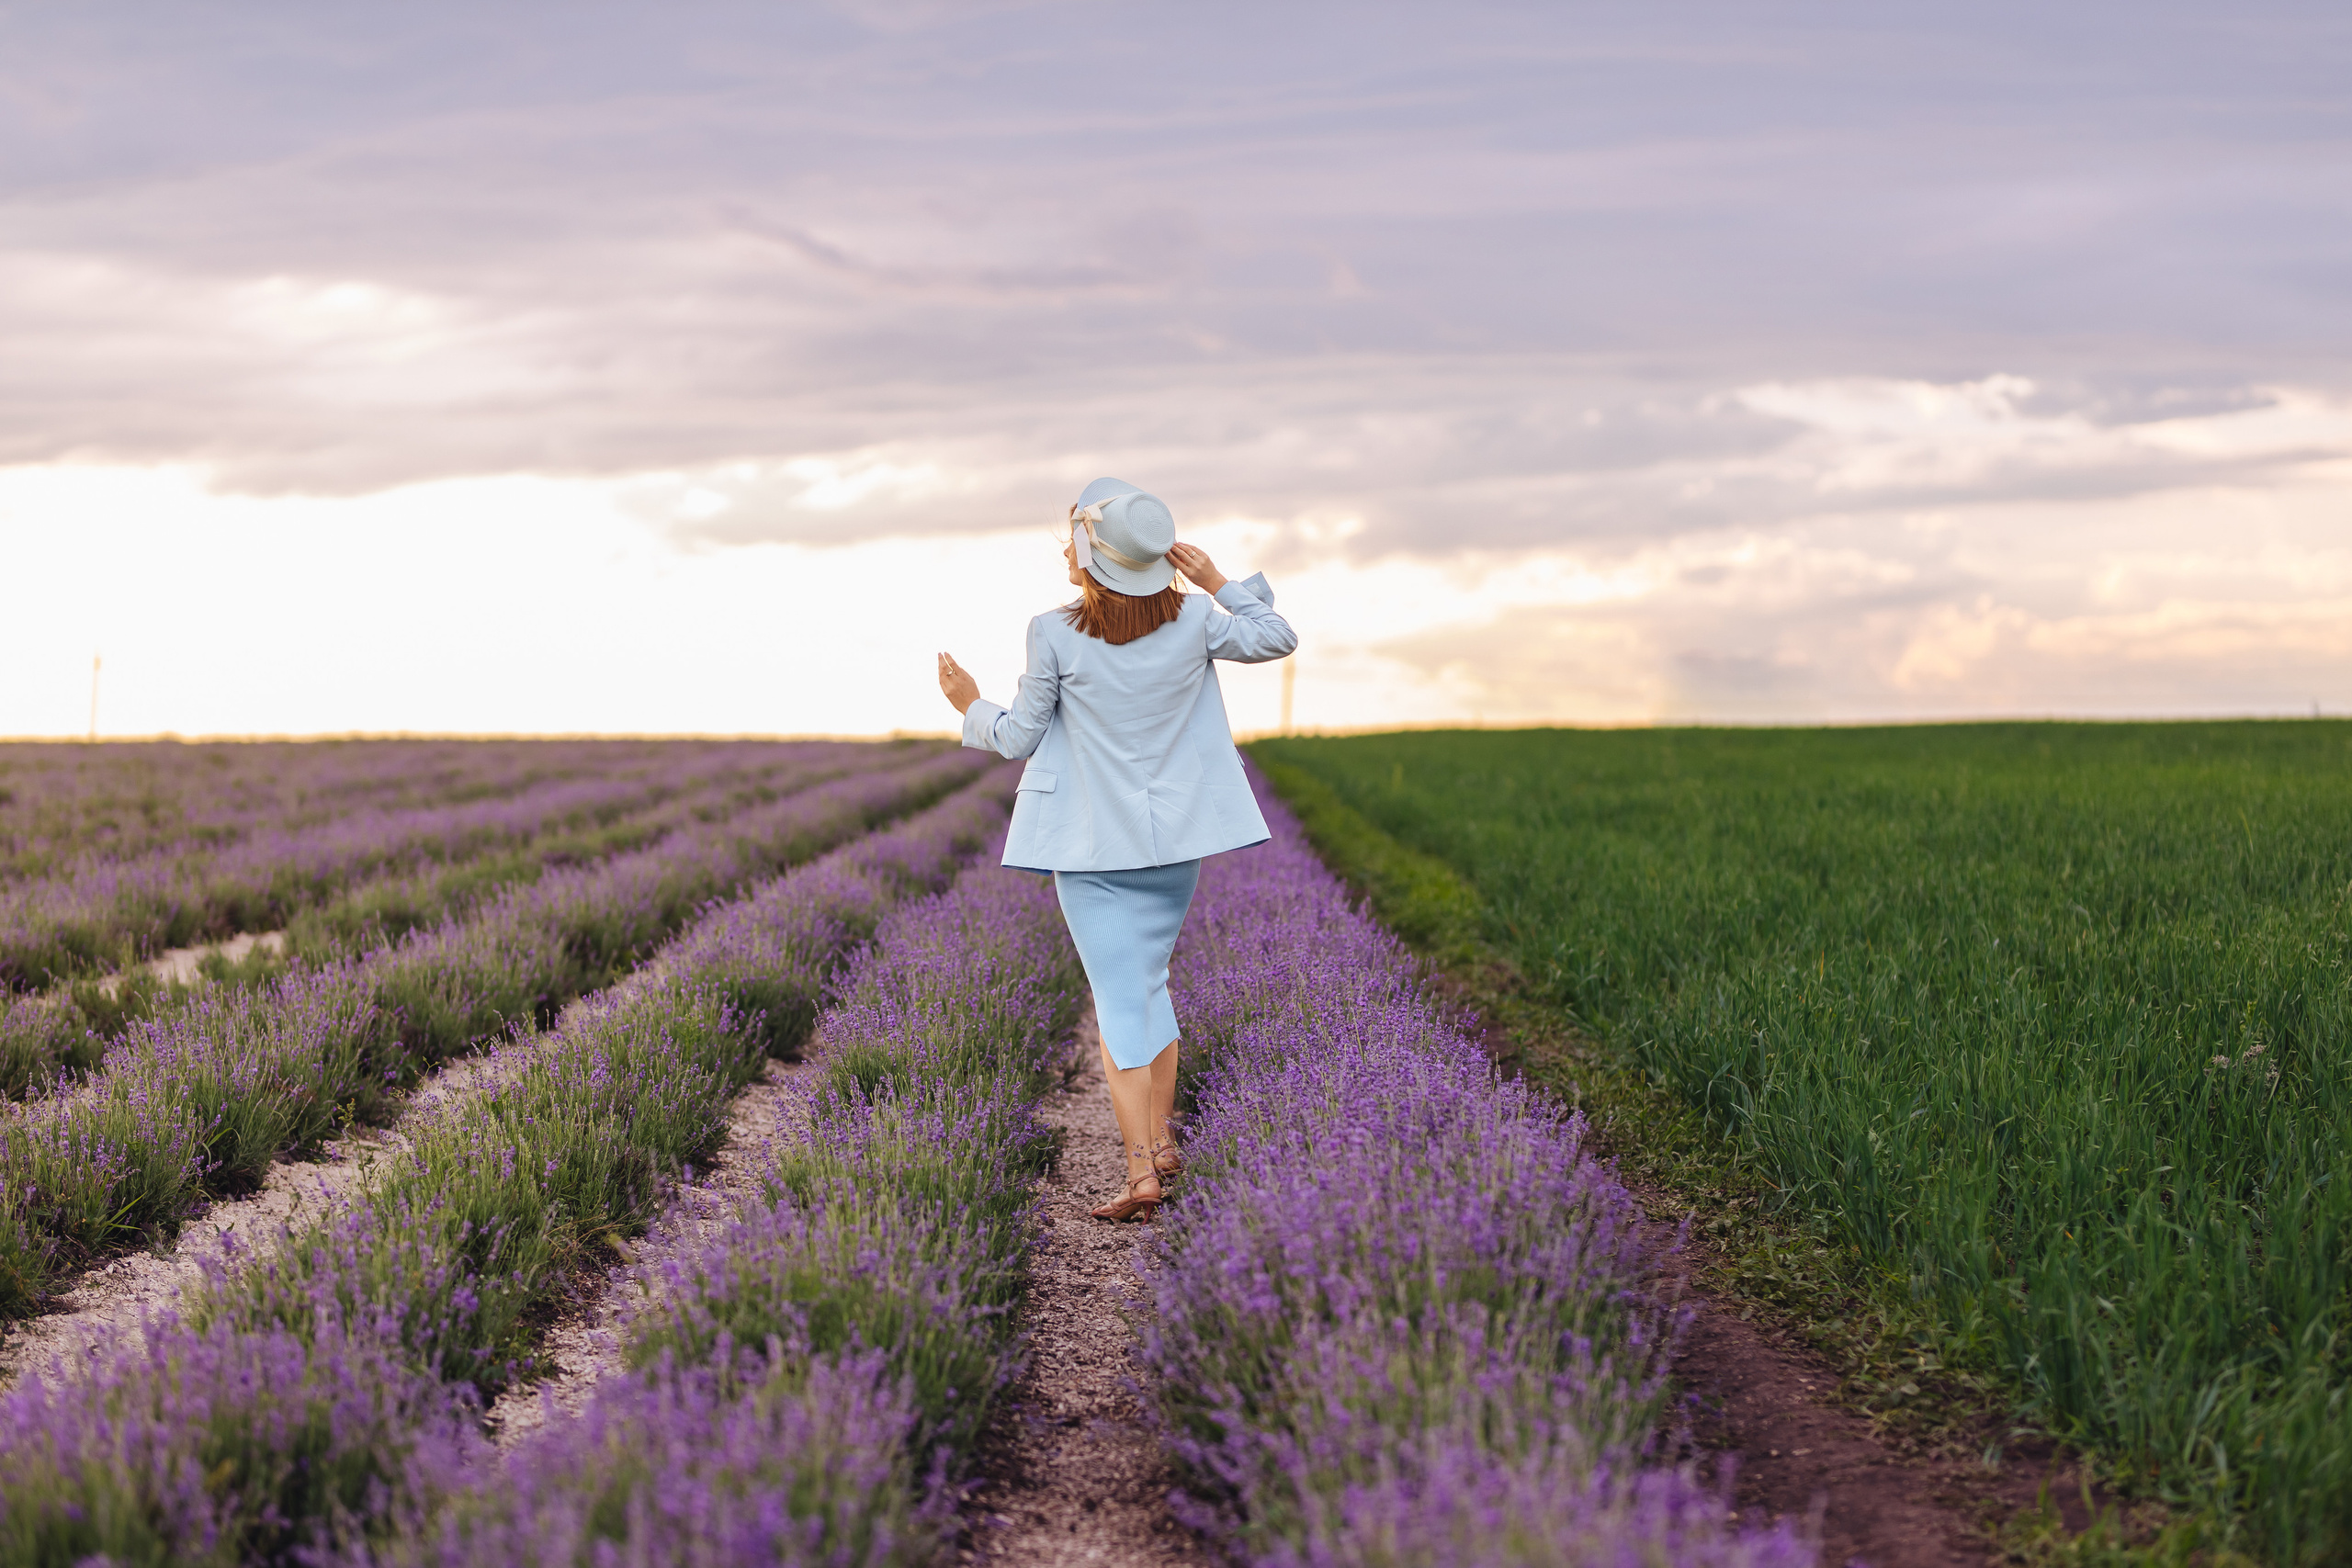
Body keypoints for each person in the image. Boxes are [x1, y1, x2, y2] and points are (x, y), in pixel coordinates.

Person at [935, 478, 1296, 1222]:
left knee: (1120, 1002)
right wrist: (1217, 580)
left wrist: (968, 702)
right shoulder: (1195, 618)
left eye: (1071, 541)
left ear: (1090, 555)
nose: (1064, 554)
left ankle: (1139, 1175)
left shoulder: (1053, 631)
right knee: (1150, 985)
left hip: (1092, 850)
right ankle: (1160, 1144)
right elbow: (1276, 636)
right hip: (1174, 844)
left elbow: (1019, 736)